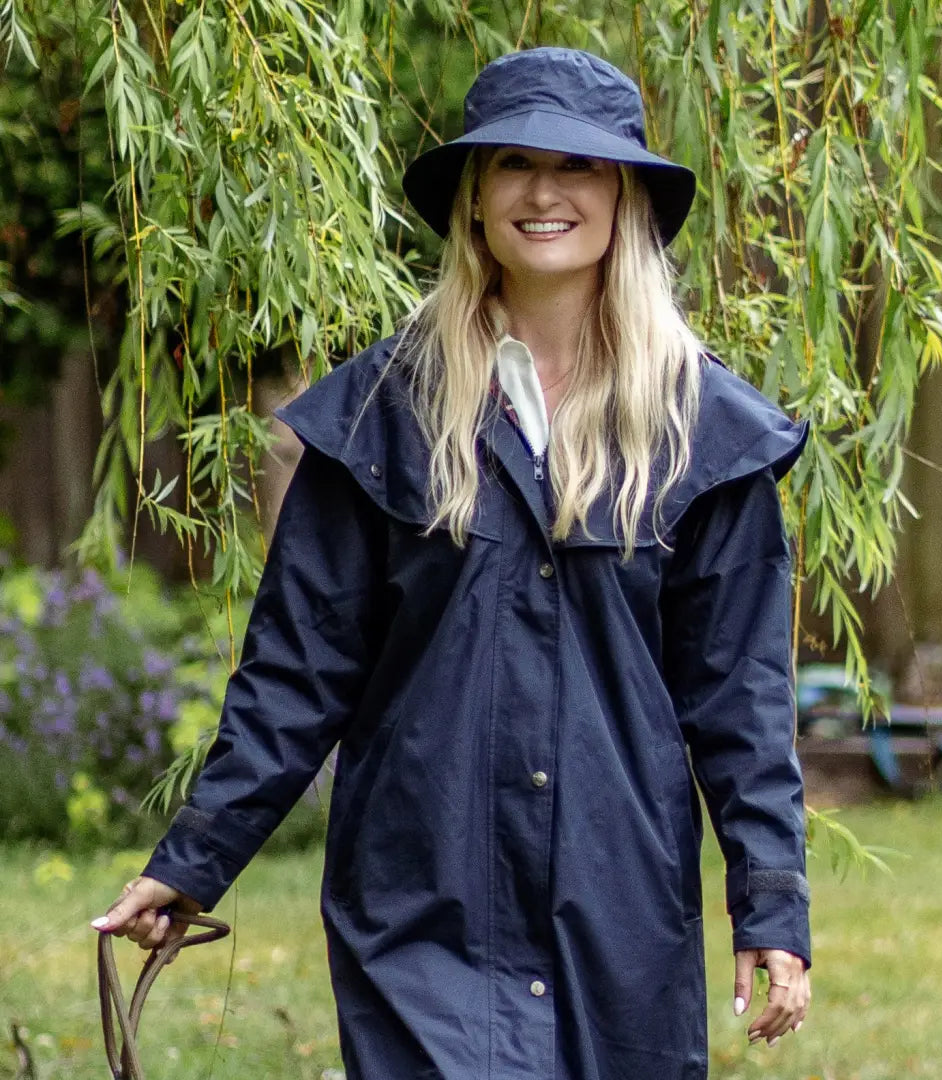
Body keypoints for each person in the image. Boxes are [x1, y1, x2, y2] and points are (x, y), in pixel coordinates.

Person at [92, 46, 811, 1079]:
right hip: (420, 896)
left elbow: (739, 696)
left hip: (616, 906)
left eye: (580, 166)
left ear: (627, 197)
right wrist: (193, 863)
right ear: (475, 199)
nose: (545, 191)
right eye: (515, 162)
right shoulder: (381, 414)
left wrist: (770, 901)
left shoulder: (703, 433)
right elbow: (297, 673)